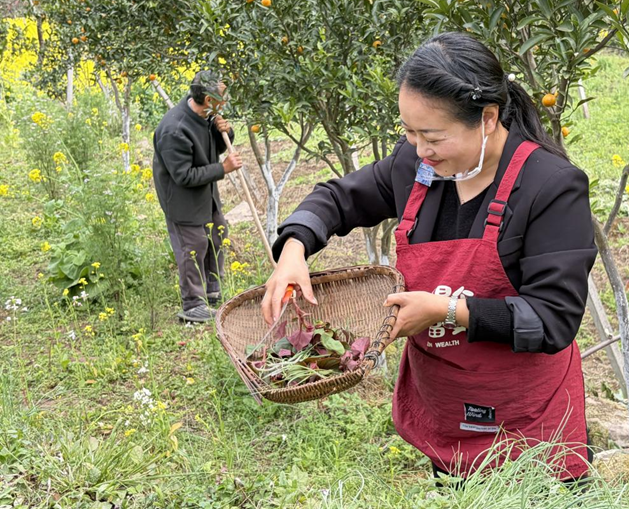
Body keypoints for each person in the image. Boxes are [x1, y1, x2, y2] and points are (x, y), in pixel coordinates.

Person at [262, 33, 597, 481]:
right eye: (409, 132)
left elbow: (552, 319)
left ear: (488, 118)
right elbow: (338, 198)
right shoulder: (419, 166)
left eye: (433, 136)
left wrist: (445, 310)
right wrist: (294, 247)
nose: (420, 150)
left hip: (530, 427)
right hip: (448, 415)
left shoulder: (550, 186)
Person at [153, 70, 243, 322]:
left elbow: (214, 146)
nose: (225, 102)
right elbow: (183, 176)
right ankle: (193, 305)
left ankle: (212, 292)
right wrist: (223, 169)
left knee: (217, 236)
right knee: (193, 246)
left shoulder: (206, 115)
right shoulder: (174, 130)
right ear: (208, 99)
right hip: (183, 200)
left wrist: (225, 132)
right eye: (222, 97)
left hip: (206, 193)